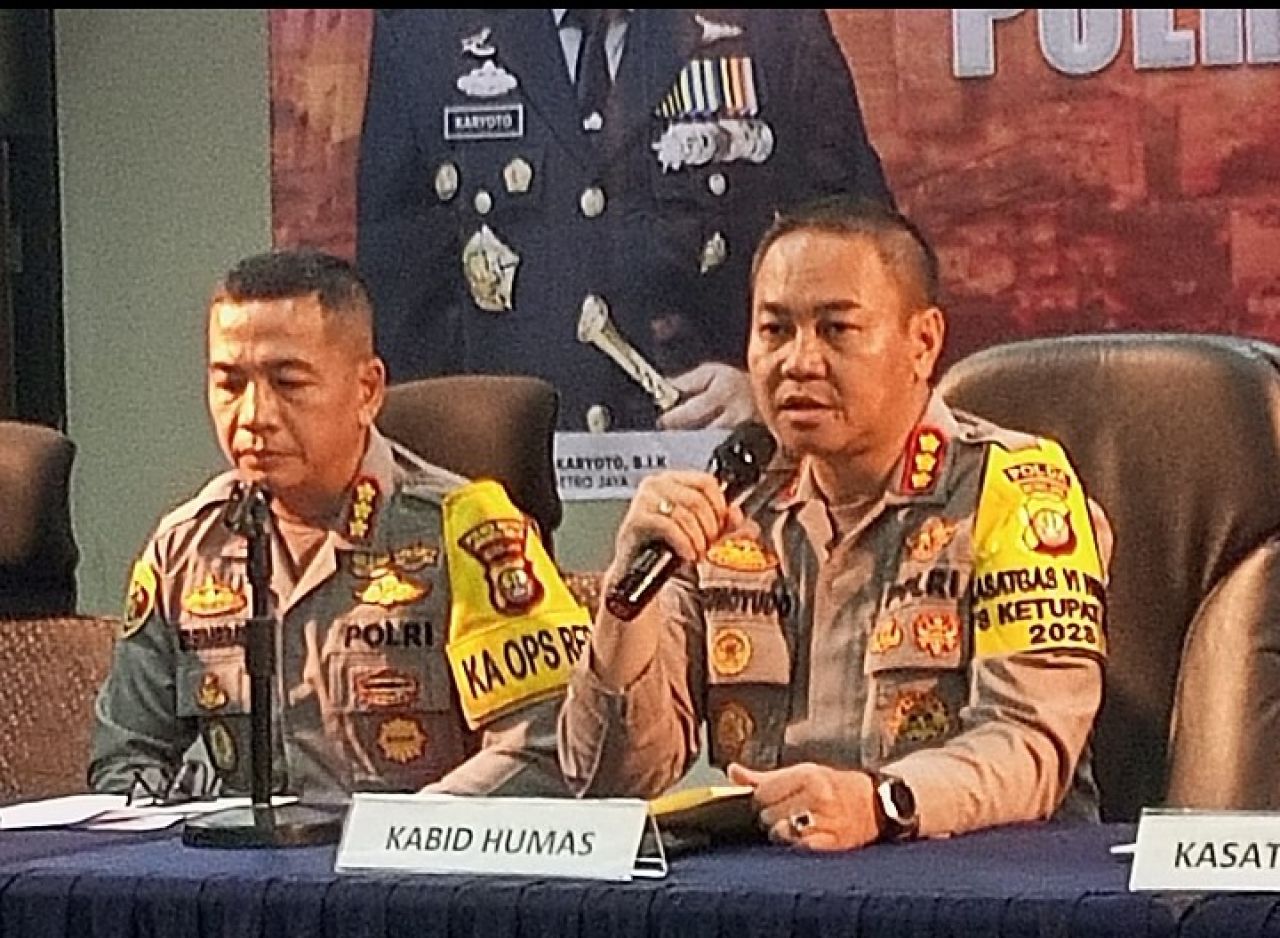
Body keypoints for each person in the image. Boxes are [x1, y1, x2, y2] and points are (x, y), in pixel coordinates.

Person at [558, 197, 1112, 850]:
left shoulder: (1015, 491)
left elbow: (1028, 744)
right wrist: (626, 605)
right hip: (775, 879)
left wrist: (880, 803)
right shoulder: (730, 501)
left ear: (922, 342)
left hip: (978, 878)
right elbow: (611, 780)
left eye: (836, 329)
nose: (799, 360)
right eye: (775, 330)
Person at [90, 248, 588, 803]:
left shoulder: (470, 535)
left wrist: (395, 833)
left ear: (366, 391)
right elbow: (126, 759)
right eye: (230, 385)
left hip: (417, 854)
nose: (253, 416)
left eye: (288, 383)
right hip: (242, 859)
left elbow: (545, 749)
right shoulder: (185, 551)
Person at [356, 9, 893, 432]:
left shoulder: (771, 24)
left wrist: (769, 392)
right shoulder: (426, 29)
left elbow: (866, 261)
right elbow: (403, 307)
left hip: (721, 480)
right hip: (508, 494)